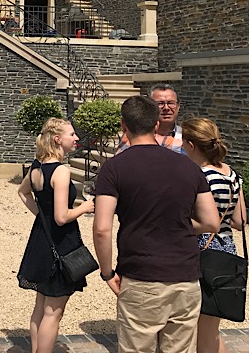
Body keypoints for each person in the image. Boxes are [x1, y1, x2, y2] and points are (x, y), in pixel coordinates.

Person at [93, 95, 220, 353]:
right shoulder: (188, 166)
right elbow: (211, 221)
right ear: (156, 125)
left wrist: (107, 272)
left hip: (142, 275)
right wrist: (176, 222)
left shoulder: (114, 168)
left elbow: (102, 228)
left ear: (123, 126)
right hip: (185, 277)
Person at [16, 118, 94, 353]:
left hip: (41, 239)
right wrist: (84, 207)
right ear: (58, 139)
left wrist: (42, 216)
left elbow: (23, 192)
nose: (76, 138)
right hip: (60, 243)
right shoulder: (60, 171)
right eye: (72, 134)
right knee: (53, 312)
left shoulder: (36, 167)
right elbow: (62, 217)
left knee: (40, 306)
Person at [182, 118, 245, 353]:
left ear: (191, 145)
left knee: (200, 330)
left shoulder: (199, 175)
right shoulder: (232, 175)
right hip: (226, 251)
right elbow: (239, 221)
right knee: (211, 327)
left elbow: (198, 219)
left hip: (201, 251)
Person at [117, 83, 184, 154]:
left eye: (170, 103)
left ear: (178, 107)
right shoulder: (130, 136)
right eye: (160, 103)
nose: (166, 108)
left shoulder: (185, 138)